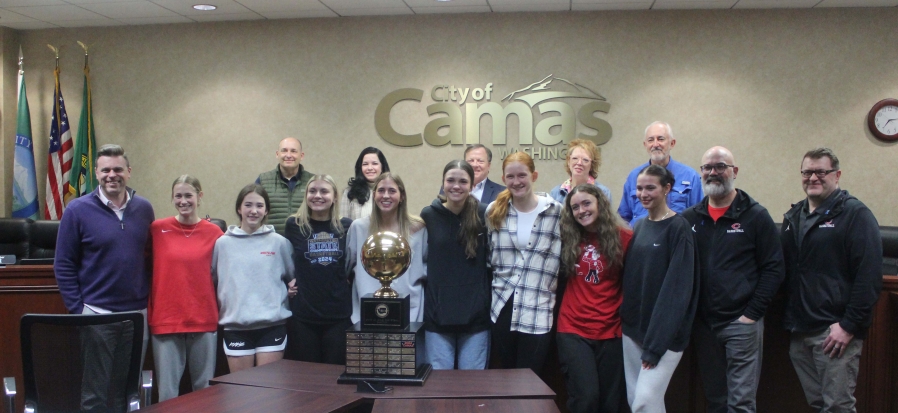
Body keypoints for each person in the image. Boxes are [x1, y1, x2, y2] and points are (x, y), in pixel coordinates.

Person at [681, 147, 785, 413]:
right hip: (704, 326)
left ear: (734, 172)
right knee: (715, 401)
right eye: (707, 168)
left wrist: (751, 314)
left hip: (741, 324)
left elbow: (774, 269)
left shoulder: (756, 216)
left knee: (740, 403)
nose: (713, 172)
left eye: (720, 166)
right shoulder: (690, 218)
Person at [54, 144, 155, 411]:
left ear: (129, 172)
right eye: (106, 169)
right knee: (95, 394)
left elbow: (150, 258)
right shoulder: (77, 210)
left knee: (127, 392)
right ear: (96, 173)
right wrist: (79, 309)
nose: (112, 174)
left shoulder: (144, 209)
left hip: (136, 316)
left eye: (118, 169)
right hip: (97, 315)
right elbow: (63, 264)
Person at [782, 147, 882, 413]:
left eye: (820, 172)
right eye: (807, 172)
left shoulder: (855, 215)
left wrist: (848, 326)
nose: (813, 177)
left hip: (835, 333)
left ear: (836, 175)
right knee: (819, 405)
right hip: (800, 331)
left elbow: (869, 276)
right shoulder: (794, 217)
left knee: (838, 406)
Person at [620, 164, 699, 412]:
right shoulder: (640, 226)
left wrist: (655, 347)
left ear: (667, 189)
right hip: (633, 332)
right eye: (640, 188)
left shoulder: (679, 228)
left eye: (650, 188)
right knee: (638, 401)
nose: (643, 194)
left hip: (664, 338)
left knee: (644, 400)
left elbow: (677, 291)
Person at [557, 184, 632, 413]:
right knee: (586, 398)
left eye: (586, 203)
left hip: (611, 329)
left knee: (611, 402)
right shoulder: (567, 237)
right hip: (573, 328)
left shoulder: (625, 238)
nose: (581, 210)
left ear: (600, 203)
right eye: (575, 207)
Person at [148, 175, 223, 402]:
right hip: (166, 318)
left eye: (188, 195)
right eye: (178, 196)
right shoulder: (157, 229)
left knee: (203, 391)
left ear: (199, 197)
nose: (183, 201)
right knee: (168, 393)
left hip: (203, 318)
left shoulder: (215, 233)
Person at [486, 151, 562, 374]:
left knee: (531, 378)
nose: (516, 182)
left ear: (534, 175)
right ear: (503, 179)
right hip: (502, 304)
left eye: (522, 175)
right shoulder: (493, 211)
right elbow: (488, 255)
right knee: (507, 376)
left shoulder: (555, 211)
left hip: (537, 307)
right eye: (510, 177)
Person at [212, 184, 297, 373]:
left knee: (269, 392)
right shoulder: (222, 244)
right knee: (242, 392)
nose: (253, 210)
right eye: (248, 205)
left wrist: (290, 289)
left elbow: (292, 278)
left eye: (259, 206)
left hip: (272, 326)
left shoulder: (279, 242)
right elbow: (214, 280)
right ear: (238, 208)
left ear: (266, 210)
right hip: (235, 326)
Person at [420, 160, 491, 370]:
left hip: (476, 318)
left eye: (463, 181)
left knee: (472, 386)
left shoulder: (484, 214)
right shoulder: (428, 215)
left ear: (472, 185)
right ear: (443, 183)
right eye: (451, 180)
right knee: (439, 386)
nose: (456, 186)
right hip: (438, 317)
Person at [284, 175, 354, 364]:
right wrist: (288, 284)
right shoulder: (294, 225)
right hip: (303, 315)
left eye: (324, 191)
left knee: (334, 377)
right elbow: (286, 261)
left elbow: (352, 265)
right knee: (307, 378)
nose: (318, 196)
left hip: (338, 315)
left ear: (335, 197)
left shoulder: (347, 226)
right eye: (312, 191)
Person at [347, 173, 427, 324]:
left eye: (392, 191)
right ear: (374, 194)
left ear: (402, 196)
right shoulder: (358, 228)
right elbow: (347, 269)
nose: (386, 196)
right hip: (366, 312)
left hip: (410, 311)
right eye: (381, 190)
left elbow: (427, 267)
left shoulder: (418, 228)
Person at [618, 121, 703, 226]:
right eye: (650, 140)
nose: (655, 144)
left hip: (675, 238)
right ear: (645, 145)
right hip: (641, 238)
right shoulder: (634, 177)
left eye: (661, 139)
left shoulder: (690, 176)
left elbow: (699, 216)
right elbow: (624, 216)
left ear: (672, 143)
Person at [256, 137, 314, 235]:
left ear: (301, 155)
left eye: (293, 151)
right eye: (284, 151)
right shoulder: (263, 180)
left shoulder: (313, 181)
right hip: (271, 244)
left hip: (304, 242)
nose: (288, 155)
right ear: (277, 154)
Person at [549, 139, 612, 204]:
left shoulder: (603, 192)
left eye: (585, 160)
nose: (579, 163)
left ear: (592, 165)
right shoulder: (556, 193)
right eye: (575, 158)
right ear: (568, 161)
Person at [439, 144, 505, 204]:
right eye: (471, 161)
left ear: (488, 165)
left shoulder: (502, 192)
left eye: (480, 161)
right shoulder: (449, 188)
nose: (475, 165)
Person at [340, 147, 391, 221]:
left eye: (374, 163)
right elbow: (344, 225)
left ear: (382, 166)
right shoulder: (350, 192)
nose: (370, 168)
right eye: (365, 164)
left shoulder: (391, 192)